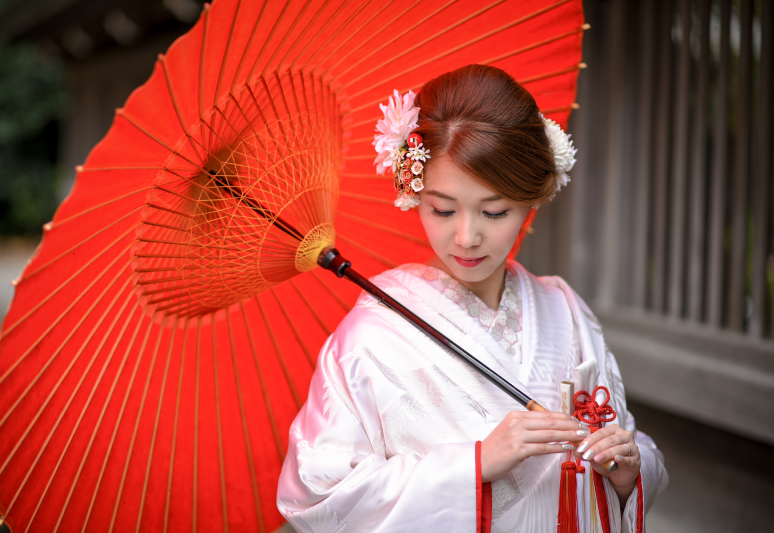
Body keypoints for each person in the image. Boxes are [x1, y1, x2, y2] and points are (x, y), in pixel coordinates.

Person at [276, 65, 668, 533]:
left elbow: (627, 436)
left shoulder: (565, 310)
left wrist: (628, 470)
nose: (466, 236)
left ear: (532, 199)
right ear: (413, 193)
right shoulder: (369, 340)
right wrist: (474, 465)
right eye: (442, 209)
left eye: (495, 210)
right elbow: (317, 497)